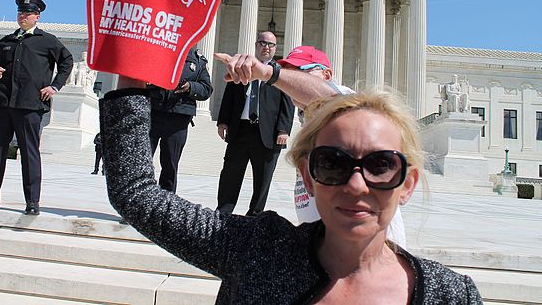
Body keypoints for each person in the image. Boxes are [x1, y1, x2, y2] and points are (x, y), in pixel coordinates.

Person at [99, 79, 482, 303]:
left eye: (381, 165)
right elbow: (136, 193)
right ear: (308, 176)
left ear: (408, 184)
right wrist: (135, 56)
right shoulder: (255, 251)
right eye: (332, 163)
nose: (356, 185)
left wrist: (272, 71)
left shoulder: (452, 296)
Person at [277, 46, 407, 247]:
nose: (292, 79)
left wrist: (270, 74)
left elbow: (327, 97)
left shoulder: (344, 104)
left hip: (372, 249)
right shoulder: (307, 116)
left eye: (301, 72)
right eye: (290, 73)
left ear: (327, 75)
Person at [0, 0, 73, 215]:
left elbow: (67, 61)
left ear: (37, 16)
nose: (23, 16)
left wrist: (55, 86)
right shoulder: (6, 42)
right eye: (20, 12)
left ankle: (32, 201)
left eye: (28, 13)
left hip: (30, 104)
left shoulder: (47, 40)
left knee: (30, 152)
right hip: (3, 103)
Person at [216, 32, 294, 216]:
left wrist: (283, 129)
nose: (266, 47)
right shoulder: (241, 68)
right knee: (230, 174)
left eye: (271, 44)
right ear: (256, 45)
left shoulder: (280, 73)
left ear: (275, 48)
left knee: (263, 179)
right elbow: (229, 97)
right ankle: (223, 212)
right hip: (240, 130)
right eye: (263, 43)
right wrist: (223, 122)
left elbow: (287, 104)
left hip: (268, 133)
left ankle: (255, 215)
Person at [147, 48, 212, 192]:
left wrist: (190, 87)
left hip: (178, 117)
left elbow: (207, 89)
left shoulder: (198, 59)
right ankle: (138, 202)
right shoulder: (158, 49)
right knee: (143, 160)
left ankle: (167, 202)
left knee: (171, 164)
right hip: (153, 111)